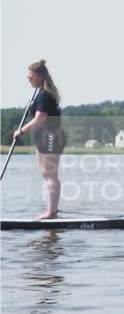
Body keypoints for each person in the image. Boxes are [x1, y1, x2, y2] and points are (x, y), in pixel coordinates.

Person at [12, 60, 64, 220]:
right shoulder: (42, 93)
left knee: (50, 175)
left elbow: (40, 118)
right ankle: (52, 210)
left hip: (51, 137)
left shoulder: (44, 95)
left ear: (40, 76)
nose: (29, 81)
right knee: (46, 174)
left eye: (30, 78)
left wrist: (21, 131)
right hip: (44, 138)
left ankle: (51, 213)